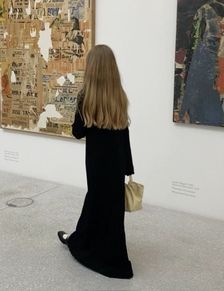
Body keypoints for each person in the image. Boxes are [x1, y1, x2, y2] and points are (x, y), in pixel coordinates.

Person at [57, 44, 134, 279]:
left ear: (92, 69)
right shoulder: (119, 95)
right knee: (111, 209)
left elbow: (77, 132)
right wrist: (129, 168)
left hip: (96, 164)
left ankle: (83, 242)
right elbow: (124, 134)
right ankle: (110, 252)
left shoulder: (86, 96)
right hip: (116, 165)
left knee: (95, 201)